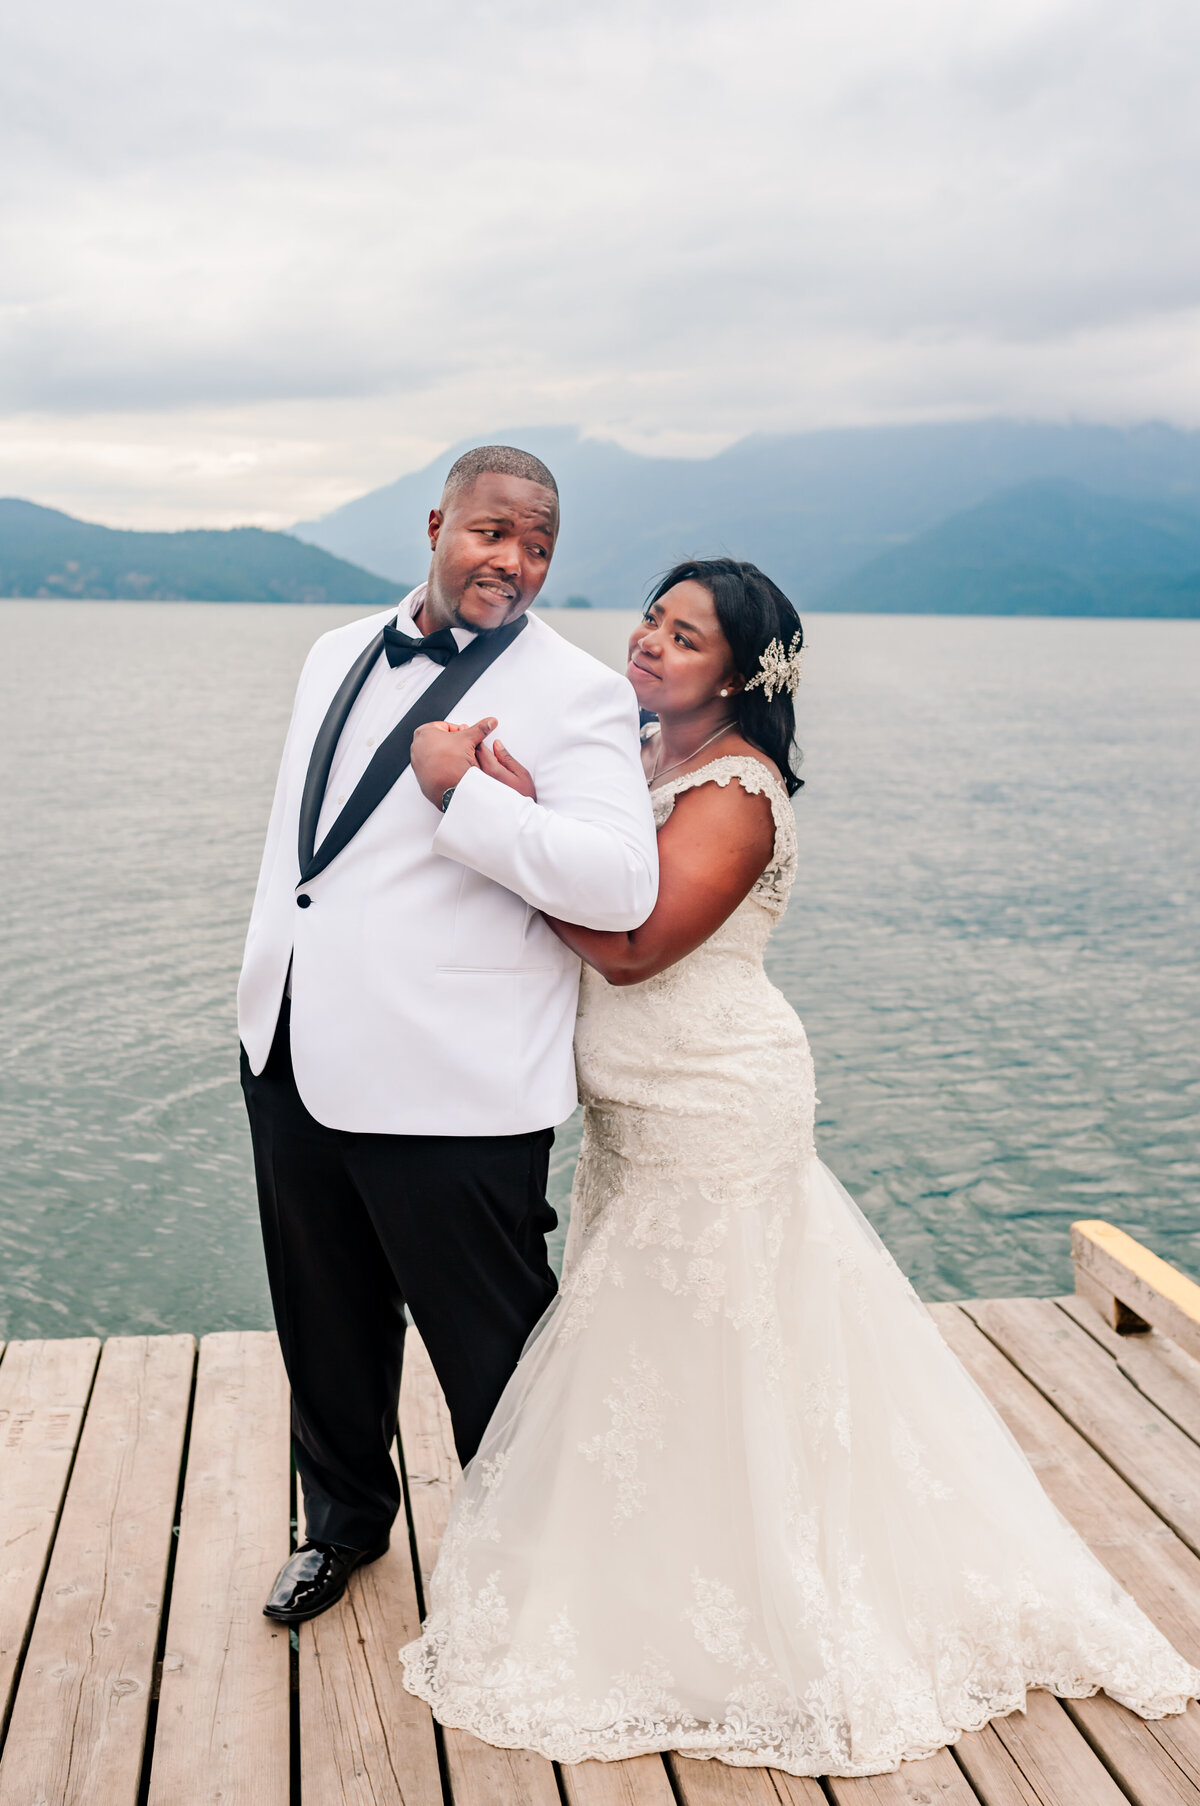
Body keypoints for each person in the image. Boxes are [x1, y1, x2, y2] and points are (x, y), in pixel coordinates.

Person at [401, 557, 1199, 1777]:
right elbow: (588, 865)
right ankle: (661, 1561)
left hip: (716, 1098)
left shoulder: (736, 789)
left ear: (741, 672)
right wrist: (522, 802)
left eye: (686, 637)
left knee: (715, 1342)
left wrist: (480, 820)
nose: (652, 644)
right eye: (653, 622)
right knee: (650, 1353)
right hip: (632, 1109)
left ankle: (761, 1598)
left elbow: (631, 947)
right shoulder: (643, 757)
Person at [238, 445, 658, 1624]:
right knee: (324, 1321)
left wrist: (463, 798)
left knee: (496, 1354)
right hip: (289, 1048)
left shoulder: (576, 692)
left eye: (538, 547)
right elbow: (311, 860)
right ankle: (344, 1530)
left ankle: (539, 1571)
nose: (513, 562)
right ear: (437, 524)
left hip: (455, 1080)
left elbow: (623, 885)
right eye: (493, 533)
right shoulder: (333, 653)